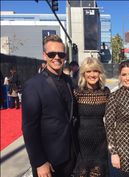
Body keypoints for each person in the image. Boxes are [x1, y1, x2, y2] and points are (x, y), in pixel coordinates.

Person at [22, 34, 78, 177]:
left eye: (61, 54)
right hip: (48, 161)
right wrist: (39, 162)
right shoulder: (33, 85)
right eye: (52, 54)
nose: (57, 57)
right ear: (44, 55)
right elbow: (29, 128)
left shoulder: (69, 81)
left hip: (70, 156)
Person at [73, 57, 110, 177]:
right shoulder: (77, 92)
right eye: (88, 71)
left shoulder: (105, 92)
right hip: (81, 143)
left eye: (95, 71)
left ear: (100, 73)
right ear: (83, 74)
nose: (92, 74)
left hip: (100, 142)